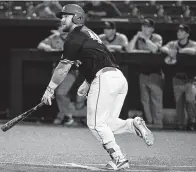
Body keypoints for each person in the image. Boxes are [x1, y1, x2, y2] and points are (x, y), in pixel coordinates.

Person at [41, 4, 154, 171]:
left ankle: (119, 158)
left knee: (95, 124)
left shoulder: (74, 36)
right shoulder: (89, 34)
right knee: (107, 123)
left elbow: (63, 67)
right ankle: (133, 125)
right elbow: (98, 57)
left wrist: (50, 89)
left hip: (105, 79)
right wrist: (88, 81)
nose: (61, 19)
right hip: (117, 78)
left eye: (65, 16)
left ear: (76, 17)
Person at [37, 26, 79, 126]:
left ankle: (69, 117)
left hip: (71, 70)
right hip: (57, 70)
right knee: (58, 95)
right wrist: (45, 47)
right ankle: (62, 116)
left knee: (61, 93)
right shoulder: (54, 37)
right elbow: (40, 45)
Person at [127, 18, 164, 127]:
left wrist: (145, 39)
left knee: (156, 101)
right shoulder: (138, 38)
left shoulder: (156, 37)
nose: (144, 28)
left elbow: (154, 50)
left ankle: (158, 123)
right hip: (142, 74)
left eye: (147, 26)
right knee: (145, 101)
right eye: (143, 26)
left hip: (155, 74)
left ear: (152, 29)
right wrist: (136, 37)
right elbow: (129, 50)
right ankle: (150, 123)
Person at [160, 24, 196, 131]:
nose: (178, 33)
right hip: (177, 79)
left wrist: (179, 52)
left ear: (187, 34)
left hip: (190, 79)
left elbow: (194, 50)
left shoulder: (192, 43)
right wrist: (169, 51)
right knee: (179, 104)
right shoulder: (173, 44)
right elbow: (163, 48)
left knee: (190, 101)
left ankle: (192, 122)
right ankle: (181, 125)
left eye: (181, 31)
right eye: (178, 31)